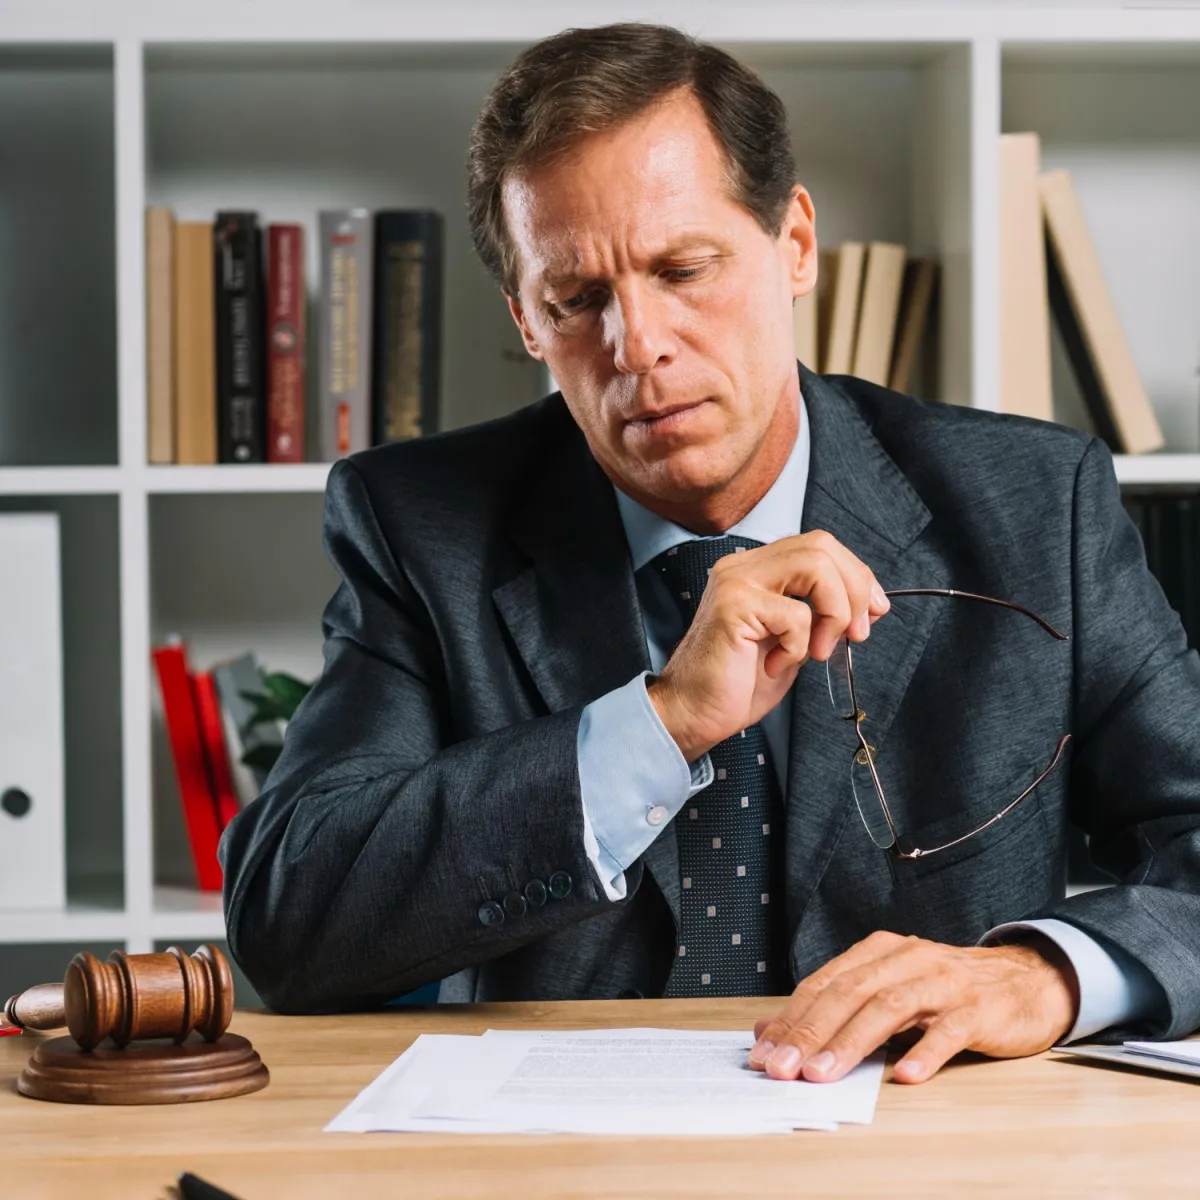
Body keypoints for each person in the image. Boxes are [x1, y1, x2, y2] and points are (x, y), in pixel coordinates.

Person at [219, 22, 1200, 1086]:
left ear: (795, 245)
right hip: (566, 1148)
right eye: (576, 301)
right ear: (527, 321)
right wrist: (657, 725)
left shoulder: (1035, 503)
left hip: (931, 1134)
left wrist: (1043, 976)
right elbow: (289, 920)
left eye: (683, 269)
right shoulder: (420, 523)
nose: (637, 346)